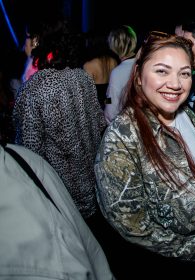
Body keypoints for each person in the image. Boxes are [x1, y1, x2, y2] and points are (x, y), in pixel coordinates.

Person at [94, 34, 195, 278]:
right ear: (139, 76)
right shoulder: (122, 137)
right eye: (162, 71)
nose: (176, 84)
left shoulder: (186, 114)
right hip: (163, 264)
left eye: (184, 73)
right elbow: (133, 226)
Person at [13, 19, 106, 221]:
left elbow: (29, 153)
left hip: (62, 200)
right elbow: (100, 125)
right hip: (96, 190)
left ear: (38, 41)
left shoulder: (33, 89)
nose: (24, 44)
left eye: (28, 38)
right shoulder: (82, 77)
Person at [0, 143, 113, 279]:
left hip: (71, 180)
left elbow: (33, 142)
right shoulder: (25, 159)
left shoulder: (24, 160)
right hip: (87, 173)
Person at [104, 25, 138, 123]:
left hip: (126, 126)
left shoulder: (117, 72)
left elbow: (111, 108)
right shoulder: (143, 63)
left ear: (113, 45)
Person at [83, 30, 119, 109]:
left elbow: (87, 94)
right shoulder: (113, 61)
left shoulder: (88, 65)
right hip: (110, 102)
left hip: (96, 106)